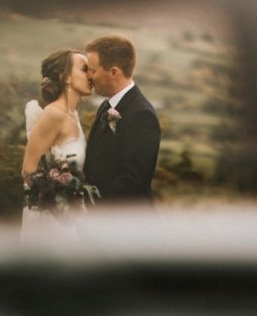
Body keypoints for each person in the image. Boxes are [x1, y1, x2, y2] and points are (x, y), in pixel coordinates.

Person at [83, 34, 161, 204]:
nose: (89, 76)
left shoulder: (142, 115)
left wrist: (92, 203)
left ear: (113, 72)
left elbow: (135, 180)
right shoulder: (106, 106)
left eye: (93, 70)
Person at [20, 48, 91, 233]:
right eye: (84, 69)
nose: (91, 75)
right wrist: (59, 204)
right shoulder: (53, 114)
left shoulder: (73, 116)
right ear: (65, 77)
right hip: (52, 223)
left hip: (72, 220)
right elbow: (28, 170)